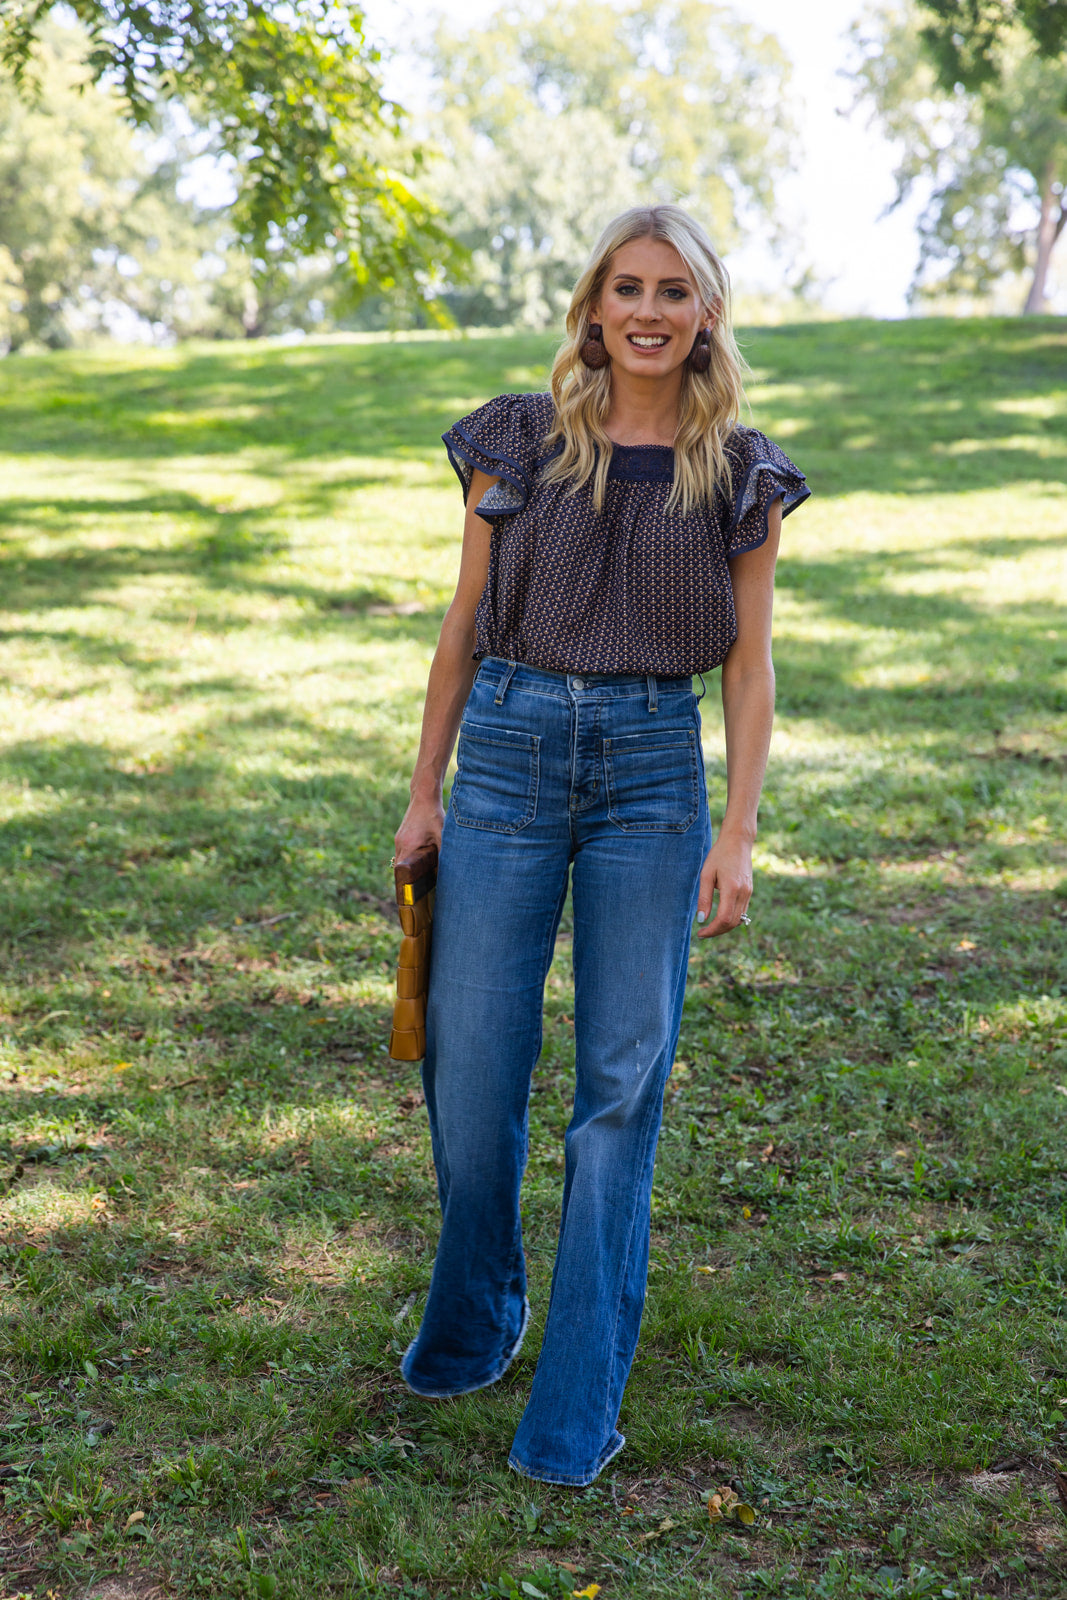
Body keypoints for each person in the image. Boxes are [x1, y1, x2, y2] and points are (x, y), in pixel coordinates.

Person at [392, 204, 809, 1487]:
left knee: (618, 1097)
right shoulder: (514, 436)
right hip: (509, 756)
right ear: (591, 304)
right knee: (469, 1075)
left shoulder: (737, 469)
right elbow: (463, 620)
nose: (645, 309)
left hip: (647, 771)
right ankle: (477, 1312)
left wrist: (736, 829)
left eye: (671, 290)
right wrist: (424, 793)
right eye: (625, 286)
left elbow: (749, 665)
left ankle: (574, 1405)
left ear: (703, 314)